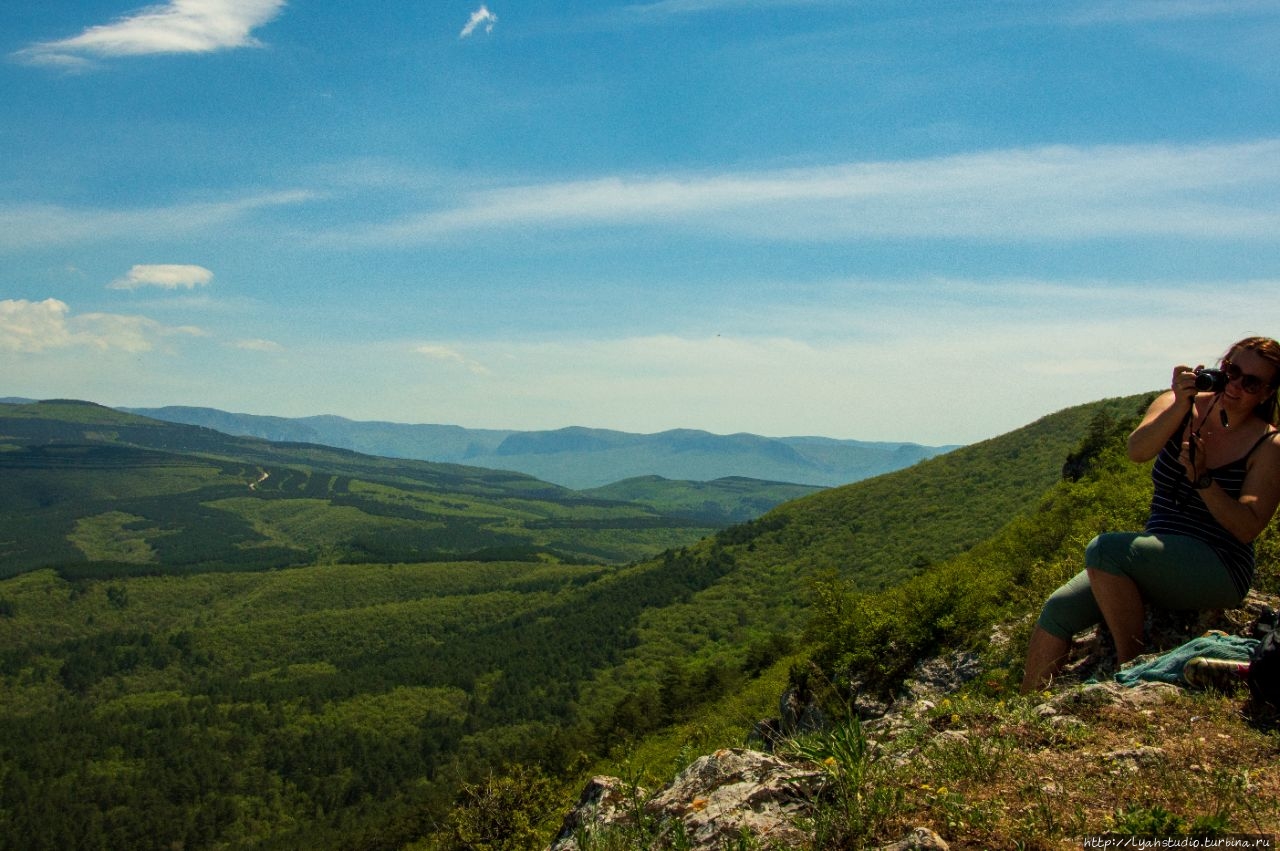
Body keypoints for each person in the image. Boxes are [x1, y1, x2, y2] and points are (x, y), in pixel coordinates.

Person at [1022, 336, 1280, 693]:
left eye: (1251, 382)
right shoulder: (1179, 406)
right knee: (1058, 609)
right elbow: (1138, 450)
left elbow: (1247, 527)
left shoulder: (1268, 444)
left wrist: (1202, 479)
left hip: (1218, 564)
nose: (1235, 385)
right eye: (1231, 371)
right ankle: (1029, 710)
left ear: (1267, 393)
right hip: (1160, 554)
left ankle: (1129, 668)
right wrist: (1180, 404)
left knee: (1104, 550)